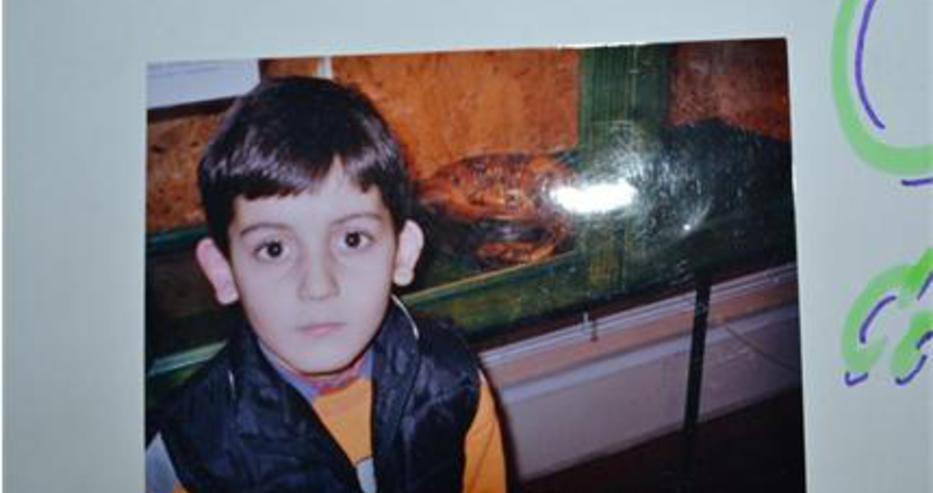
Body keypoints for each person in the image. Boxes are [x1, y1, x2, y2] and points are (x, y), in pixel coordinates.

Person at [146, 77, 507, 493]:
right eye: (274, 249)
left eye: (352, 239)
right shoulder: (188, 454)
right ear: (223, 271)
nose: (318, 287)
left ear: (402, 254)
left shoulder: (454, 381)